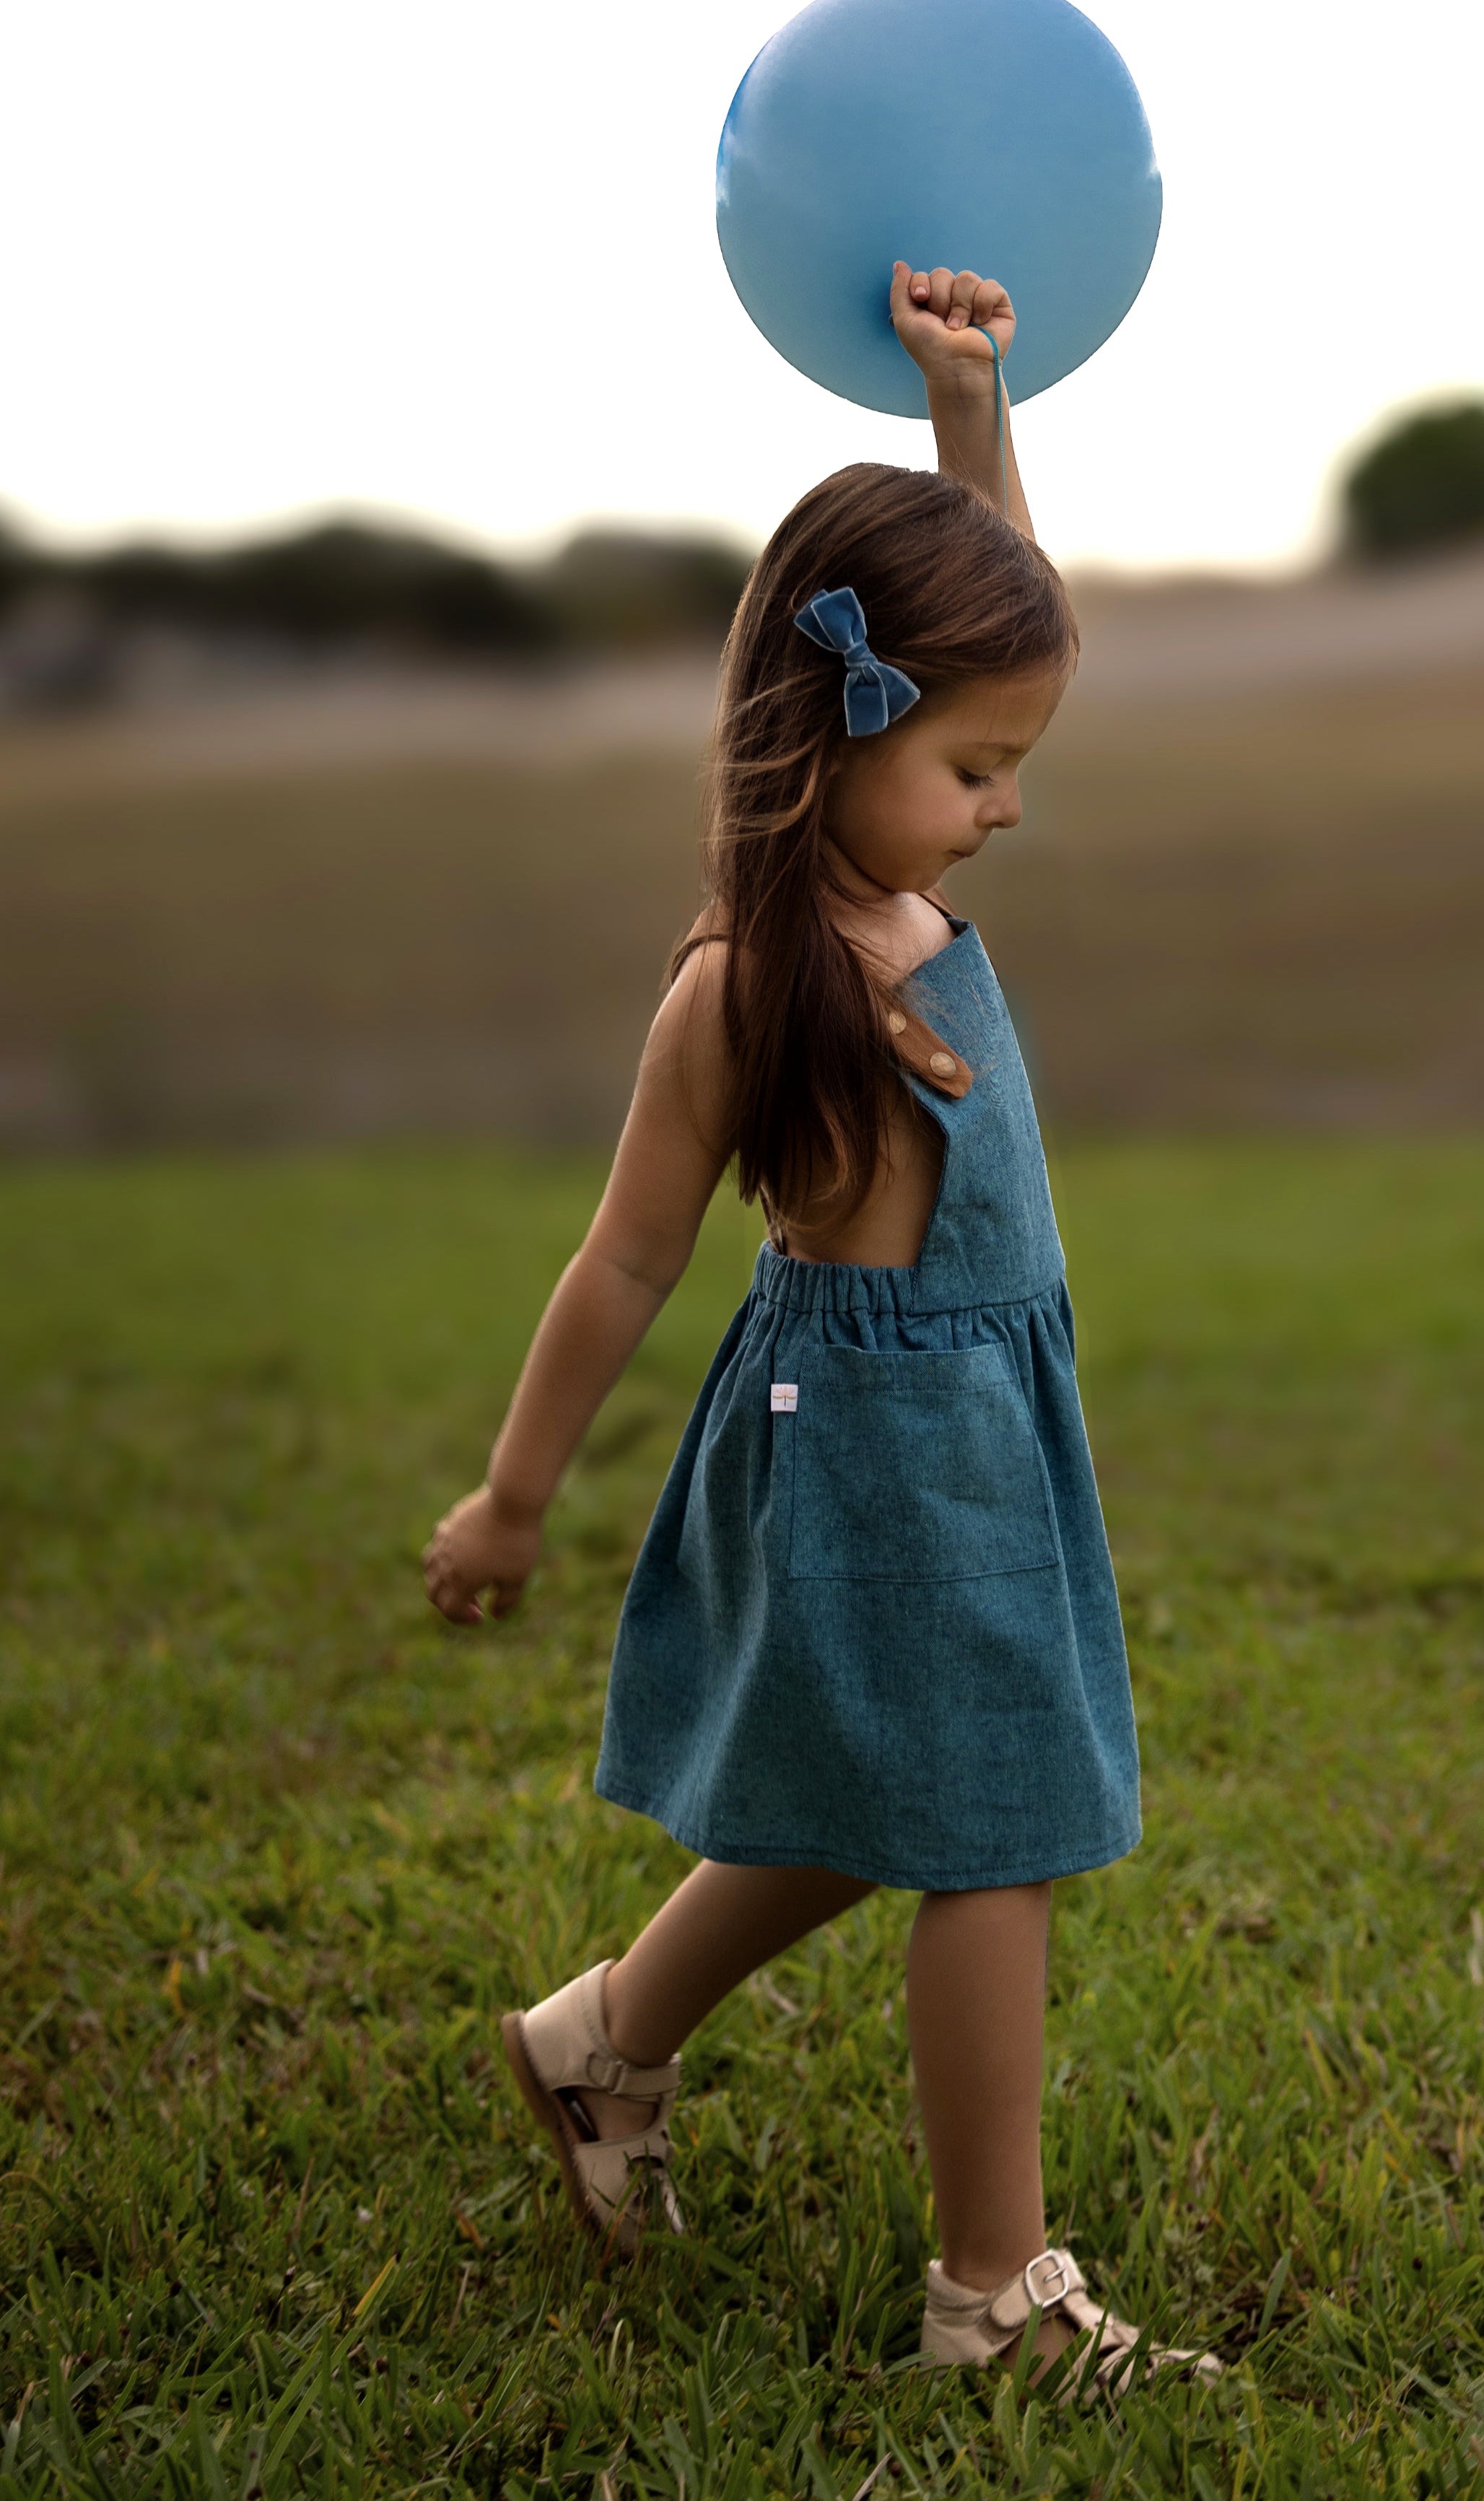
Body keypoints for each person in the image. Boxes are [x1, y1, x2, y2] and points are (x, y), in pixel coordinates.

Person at [422, 263, 1213, 2393]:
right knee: (999, 1832)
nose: (1013, 801)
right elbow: (619, 1262)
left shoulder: (915, 897)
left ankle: (603, 2044)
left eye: (1018, 759)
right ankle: (993, 2297)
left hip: (973, 1413)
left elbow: (1000, 604)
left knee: (871, 1798)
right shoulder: (755, 981)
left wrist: (971, 411)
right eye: (977, 763)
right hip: (881, 1431)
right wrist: (510, 1503)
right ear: (844, 727)